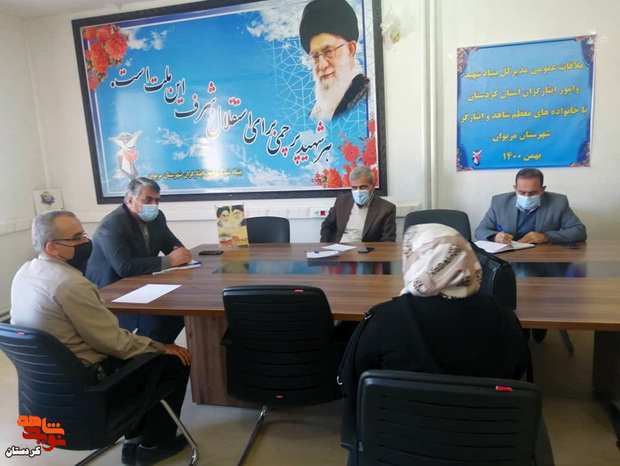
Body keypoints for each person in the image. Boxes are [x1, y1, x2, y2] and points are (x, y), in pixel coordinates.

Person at [11, 211, 192, 465]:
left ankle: (133, 439)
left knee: (144, 352)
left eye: (84, 234)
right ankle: (154, 445)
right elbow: (115, 343)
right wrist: (161, 347)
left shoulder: (25, 273)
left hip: (51, 390)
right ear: (52, 248)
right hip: (93, 384)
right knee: (175, 361)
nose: (86, 242)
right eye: (76, 238)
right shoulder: (70, 284)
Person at [339, 224, 533, 462]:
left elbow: (351, 383)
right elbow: (518, 371)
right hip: (485, 444)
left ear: (416, 262)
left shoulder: (383, 319)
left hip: (398, 443)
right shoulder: (503, 315)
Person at [85, 177, 191, 344]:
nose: (153, 205)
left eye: (157, 200)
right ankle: (145, 353)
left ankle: (159, 353)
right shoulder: (112, 224)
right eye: (147, 200)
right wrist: (170, 260)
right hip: (112, 291)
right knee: (158, 322)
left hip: (142, 285)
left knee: (179, 313)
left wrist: (179, 253)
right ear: (130, 200)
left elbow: (174, 246)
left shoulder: (157, 217)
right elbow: (125, 267)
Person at [299, 0, 370, 121]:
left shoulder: (364, 97)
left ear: (350, 49)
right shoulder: (316, 113)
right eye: (315, 56)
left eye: (328, 52)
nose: (322, 66)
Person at [475, 168, 587, 245]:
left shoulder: (558, 202)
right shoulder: (499, 202)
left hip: (544, 258)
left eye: (533, 193)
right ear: (515, 189)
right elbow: (480, 231)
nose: (527, 197)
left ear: (542, 190)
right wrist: (494, 236)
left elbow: (579, 231)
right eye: (522, 192)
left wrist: (545, 237)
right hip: (508, 258)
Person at [320, 166, 395, 243]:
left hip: (365, 249)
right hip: (339, 246)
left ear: (372, 186)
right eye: (354, 187)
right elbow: (327, 226)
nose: (358, 191)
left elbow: (388, 240)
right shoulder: (342, 201)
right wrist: (324, 246)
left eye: (363, 187)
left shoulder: (386, 209)